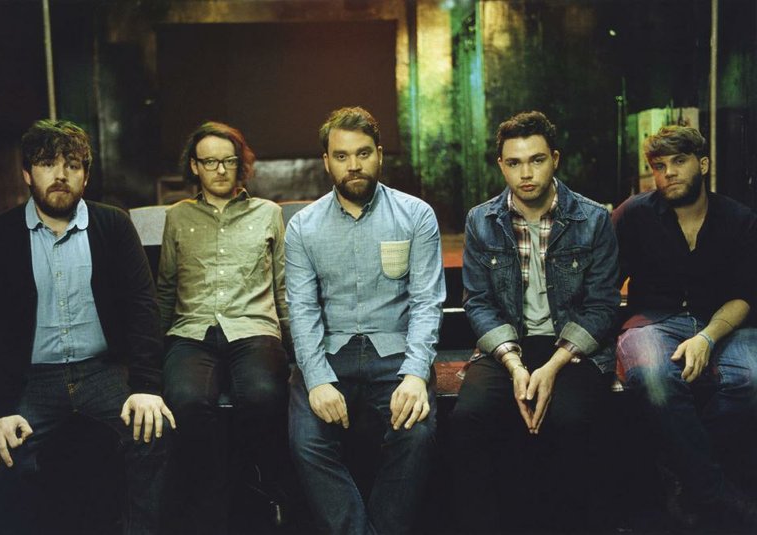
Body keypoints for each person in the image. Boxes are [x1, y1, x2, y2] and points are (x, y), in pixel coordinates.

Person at [0, 119, 174, 534]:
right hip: (32, 380)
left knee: (154, 433)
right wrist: (0, 409)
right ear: (27, 173)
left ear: (86, 175)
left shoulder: (112, 224)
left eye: (73, 165)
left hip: (102, 372)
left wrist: (147, 387)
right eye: (47, 164)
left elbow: (142, 308)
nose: (60, 175)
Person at [450, 110, 620, 532]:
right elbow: (479, 303)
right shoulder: (481, 220)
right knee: (468, 418)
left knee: (571, 420)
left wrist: (552, 366)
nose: (526, 173)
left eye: (537, 160)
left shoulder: (593, 218)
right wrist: (514, 365)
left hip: (572, 346)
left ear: (555, 159)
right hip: (508, 343)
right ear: (501, 165)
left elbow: (602, 305)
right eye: (514, 162)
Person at [284, 106, 445, 534]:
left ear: (379, 154)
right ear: (326, 161)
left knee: (416, 434)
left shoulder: (416, 214)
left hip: (394, 351)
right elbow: (301, 309)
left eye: (362, 153)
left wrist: (415, 374)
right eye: (341, 155)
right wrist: (316, 379)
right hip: (331, 352)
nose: (353, 165)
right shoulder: (302, 226)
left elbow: (427, 301)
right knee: (306, 442)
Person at [613, 125, 757, 529]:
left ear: (704, 164)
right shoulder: (633, 215)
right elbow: (604, 283)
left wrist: (707, 337)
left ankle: (681, 471)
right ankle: (715, 494)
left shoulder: (738, 219)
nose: (668, 173)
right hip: (654, 322)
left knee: (752, 380)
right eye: (659, 166)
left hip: (724, 325)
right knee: (655, 377)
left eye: (679, 161)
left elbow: (745, 295)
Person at [157, 121, 291, 533]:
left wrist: (296, 350)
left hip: (253, 328)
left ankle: (254, 491)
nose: (219, 169)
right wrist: (149, 357)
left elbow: (283, 286)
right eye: (209, 161)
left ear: (241, 164)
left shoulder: (268, 213)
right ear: (194, 167)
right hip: (191, 330)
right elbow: (166, 287)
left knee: (264, 395)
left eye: (228, 160)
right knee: (186, 400)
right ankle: (214, 506)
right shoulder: (178, 216)